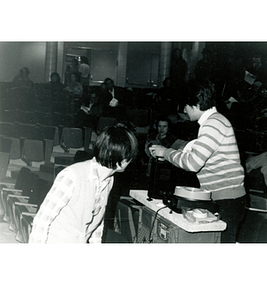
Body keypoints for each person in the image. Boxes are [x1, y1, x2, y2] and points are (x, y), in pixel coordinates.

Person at [150, 80, 246, 243]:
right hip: (223, 197)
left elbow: (193, 163)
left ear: (195, 104)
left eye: (185, 106)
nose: (184, 111)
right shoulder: (215, 121)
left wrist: (165, 152)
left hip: (227, 200)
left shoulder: (212, 124)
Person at [29, 124, 138, 243]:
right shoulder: (72, 176)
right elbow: (42, 219)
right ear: (121, 161)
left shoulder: (108, 180)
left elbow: (97, 223)